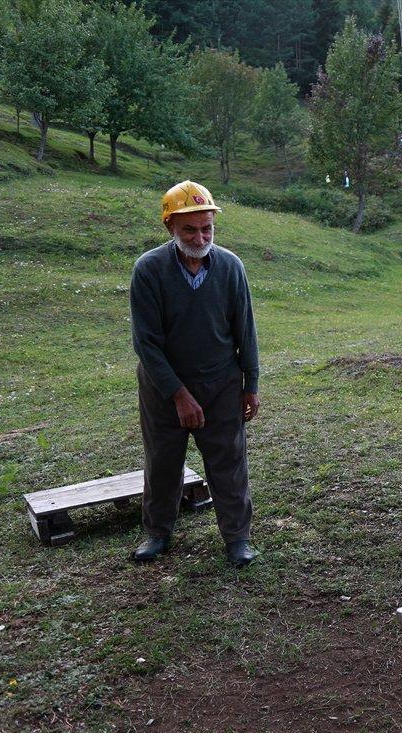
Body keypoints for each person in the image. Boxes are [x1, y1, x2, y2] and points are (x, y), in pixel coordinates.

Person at [129, 180, 261, 567]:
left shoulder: (231, 267)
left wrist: (250, 384)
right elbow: (146, 343)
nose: (200, 237)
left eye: (207, 228)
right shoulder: (149, 270)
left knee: (229, 462)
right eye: (190, 229)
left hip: (221, 383)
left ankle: (238, 538)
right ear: (169, 226)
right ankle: (157, 533)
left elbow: (246, 330)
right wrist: (178, 394)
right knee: (162, 460)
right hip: (163, 388)